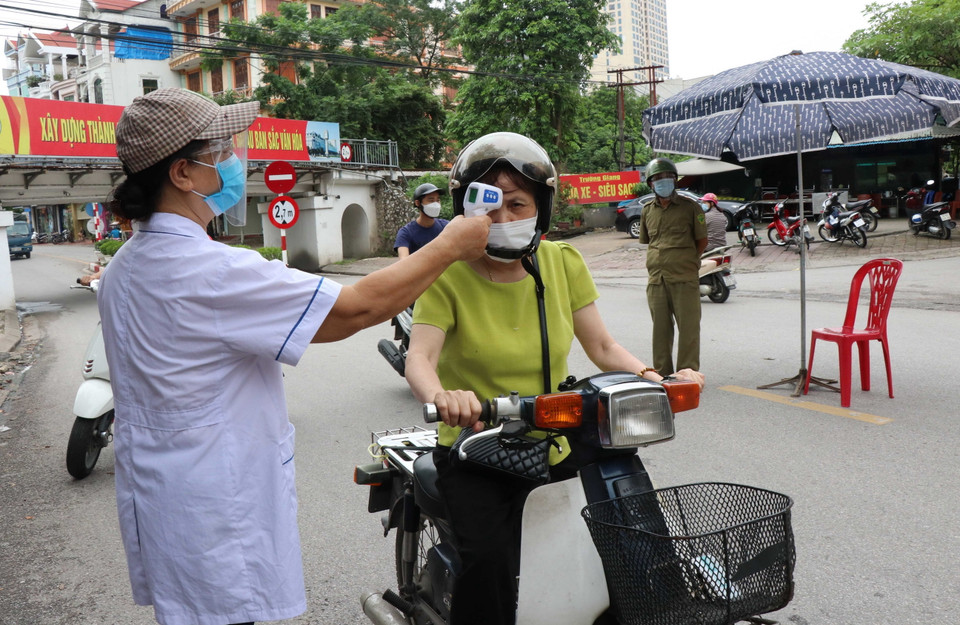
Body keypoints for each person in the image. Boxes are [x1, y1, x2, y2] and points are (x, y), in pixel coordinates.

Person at [96, 87, 490, 625]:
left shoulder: (124, 266)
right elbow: (355, 309)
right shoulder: (211, 271)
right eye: (221, 151)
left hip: (166, 497)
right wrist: (450, 246)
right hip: (216, 508)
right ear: (183, 173)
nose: (234, 161)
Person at [404, 133, 704, 625]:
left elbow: (602, 346)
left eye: (517, 204)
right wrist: (443, 396)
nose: (502, 218)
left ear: (540, 208)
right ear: (465, 210)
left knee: (621, 539)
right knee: (490, 561)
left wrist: (655, 378)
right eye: (488, 205)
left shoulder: (563, 263)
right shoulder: (447, 273)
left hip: (556, 437)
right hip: (476, 445)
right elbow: (420, 356)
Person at [638, 157, 708, 376]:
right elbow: (649, 241)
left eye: (668, 176)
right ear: (651, 183)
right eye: (658, 178)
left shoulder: (690, 207)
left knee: (689, 329)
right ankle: (662, 375)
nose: (663, 181)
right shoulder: (647, 210)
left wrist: (688, 262)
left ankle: (687, 374)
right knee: (660, 330)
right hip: (656, 279)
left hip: (684, 277)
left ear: (675, 180)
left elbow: (702, 241)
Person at [394, 182, 449, 258]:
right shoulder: (406, 233)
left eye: (438, 200)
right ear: (417, 203)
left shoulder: (447, 227)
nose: (436, 204)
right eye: (431, 200)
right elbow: (403, 259)